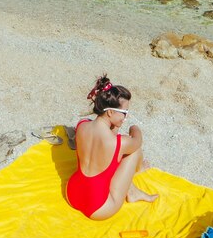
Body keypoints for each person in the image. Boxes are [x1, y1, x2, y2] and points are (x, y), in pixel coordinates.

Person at [66, 74, 158, 220]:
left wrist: (116, 123)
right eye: (124, 113)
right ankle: (134, 188)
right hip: (98, 208)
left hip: (72, 194)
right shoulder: (118, 143)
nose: (126, 117)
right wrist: (134, 127)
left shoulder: (82, 125)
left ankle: (132, 188)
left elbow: (102, 140)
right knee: (133, 152)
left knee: (112, 157)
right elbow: (137, 141)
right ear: (110, 112)